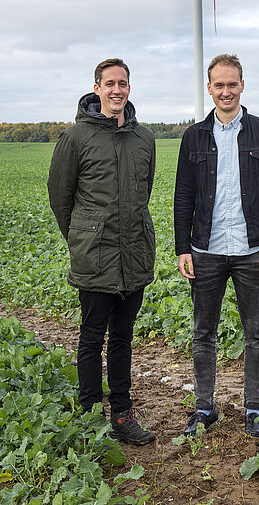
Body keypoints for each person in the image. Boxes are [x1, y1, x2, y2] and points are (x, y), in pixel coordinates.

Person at [174, 54, 259, 437]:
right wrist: (182, 247)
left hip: (252, 248)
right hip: (205, 249)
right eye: (218, 85)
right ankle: (204, 408)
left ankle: (253, 408)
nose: (226, 91)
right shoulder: (193, 136)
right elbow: (183, 195)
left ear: (242, 85)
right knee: (203, 332)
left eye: (232, 84)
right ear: (209, 88)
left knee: (256, 333)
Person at [47, 58, 156, 445]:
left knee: (123, 337)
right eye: (109, 83)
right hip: (94, 255)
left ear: (129, 88)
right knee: (92, 337)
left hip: (134, 254)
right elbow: (60, 198)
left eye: (122, 83)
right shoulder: (76, 137)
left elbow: (144, 192)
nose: (116, 90)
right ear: (97, 88)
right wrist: (82, 236)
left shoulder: (143, 138)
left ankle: (123, 414)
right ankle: (92, 415)